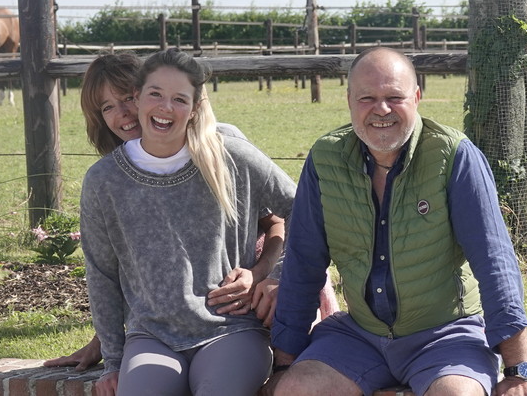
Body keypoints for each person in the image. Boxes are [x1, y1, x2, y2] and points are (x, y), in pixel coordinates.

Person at [268, 47, 527, 396]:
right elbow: (303, 261)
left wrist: (519, 370)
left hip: (447, 335)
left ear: (417, 97)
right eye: (367, 98)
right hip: (359, 335)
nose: (381, 109)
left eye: (394, 97)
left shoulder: (453, 155)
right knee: (297, 391)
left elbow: (494, 260)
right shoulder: (325, 159)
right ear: (349, 100)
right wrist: (284, 364)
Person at [47, 53, 340, 372]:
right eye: (107, 107)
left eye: (129, 98)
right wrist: (105, 343)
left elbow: (279, 221)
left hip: (255, 283)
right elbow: (121, 266)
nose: (124, 114)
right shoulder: (115, 171)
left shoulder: (221, 143)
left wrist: (263, 274)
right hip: (183, 319)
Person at [80, 49, 297, 396]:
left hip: (231, 328)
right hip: (152, 336)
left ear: (194, 106)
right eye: (107, 107)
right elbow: (102, 272)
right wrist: (113, 359)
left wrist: (272, 276)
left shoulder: (229, 153)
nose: (122, 114)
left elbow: (300, 212)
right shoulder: (104, 179)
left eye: (178, 98)